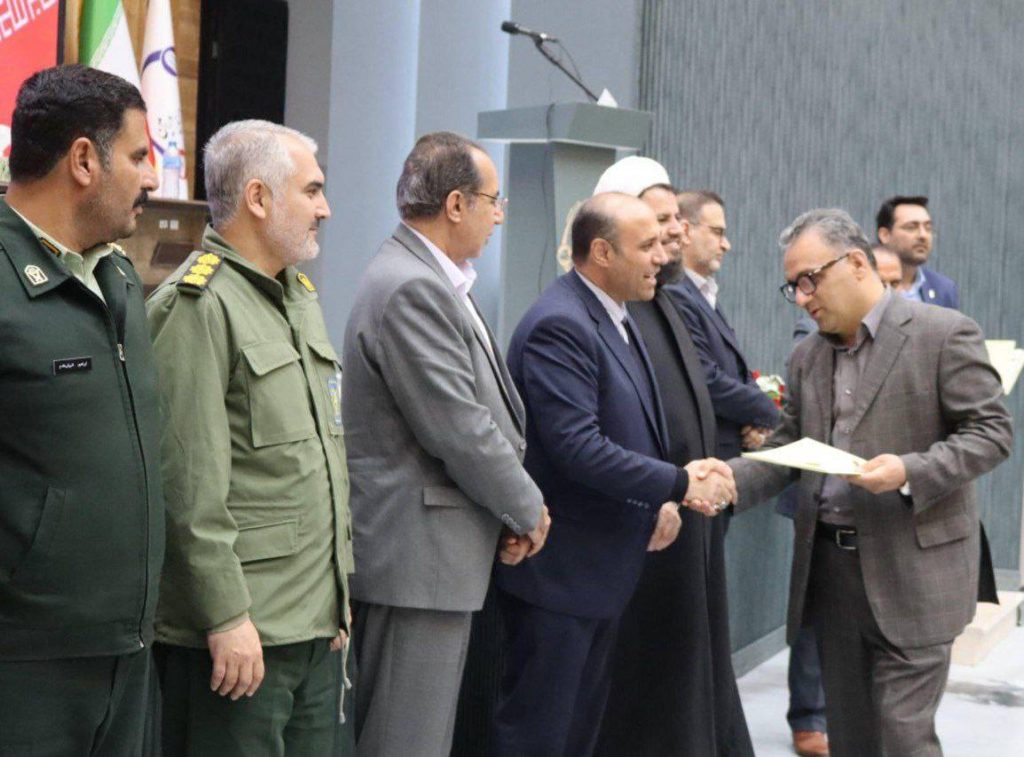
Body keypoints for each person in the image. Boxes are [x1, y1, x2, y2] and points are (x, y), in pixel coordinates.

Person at [729, 208, 1012, 755]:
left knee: (902, 737)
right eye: (793, 287)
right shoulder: (807, 356)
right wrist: (725, 481)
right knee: (853, 736)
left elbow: (992, 433)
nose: (802, 297)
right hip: (832, 574)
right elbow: (787, 452)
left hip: (916, 571)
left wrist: (910, 471)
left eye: (810, 280)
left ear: (856, 263)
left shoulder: (943, 333)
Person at [493, 192, 736, 756]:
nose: (662, 256)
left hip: (600, 572)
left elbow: (631, 428)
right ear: (602, 252)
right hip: (562, 574)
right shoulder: (561, 324)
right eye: (647, 245)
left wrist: (668, 491)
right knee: (541, 736)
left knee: (578, 734)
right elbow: (579, 448)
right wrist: (680, 484)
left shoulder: (616, 315)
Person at [147, 120, 352, 755]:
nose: (325, 208)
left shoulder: (298, 297)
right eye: (312, 190)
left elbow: (318, 461)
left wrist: (336, 595)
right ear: (258, 198)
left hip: (311, 625)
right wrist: (226, 615)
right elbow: (187, 486)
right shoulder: (198, 305)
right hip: (242, 637)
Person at [342, 131, 550, 757]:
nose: (501, 215)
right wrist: (527, 508)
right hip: (415, 563)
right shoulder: (413, 285)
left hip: (434, 561)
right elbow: (460, 428)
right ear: (456, 204)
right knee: (405, 741)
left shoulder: (431, 277)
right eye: (494, 200)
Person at [0, 64, 162, 755]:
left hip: (127, 652)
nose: (153, 177)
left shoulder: (117, 275)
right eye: (139, 155)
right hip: (25, 666)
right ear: (84, 160)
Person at [587, 157, 753, 756]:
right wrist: (663, 491)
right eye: (659, 223)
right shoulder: (614, 309)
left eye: (675, 220)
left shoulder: (659, 296)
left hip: (685, 512)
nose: (675, 232)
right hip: (652, 516)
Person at [668, 190, 780, 461]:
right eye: (717, 232)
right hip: (703, 457)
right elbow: (705, 378)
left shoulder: (704, 294)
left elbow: (739, 370)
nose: (726, 245)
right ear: (686, 232)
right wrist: (770, 413)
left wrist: (757, 421)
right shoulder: (676, 294)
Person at [875, 195, 957, 306]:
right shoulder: (865, 283)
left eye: (928, 228)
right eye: (911, 227)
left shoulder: (943, 289)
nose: (923, 235)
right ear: (885, 235)